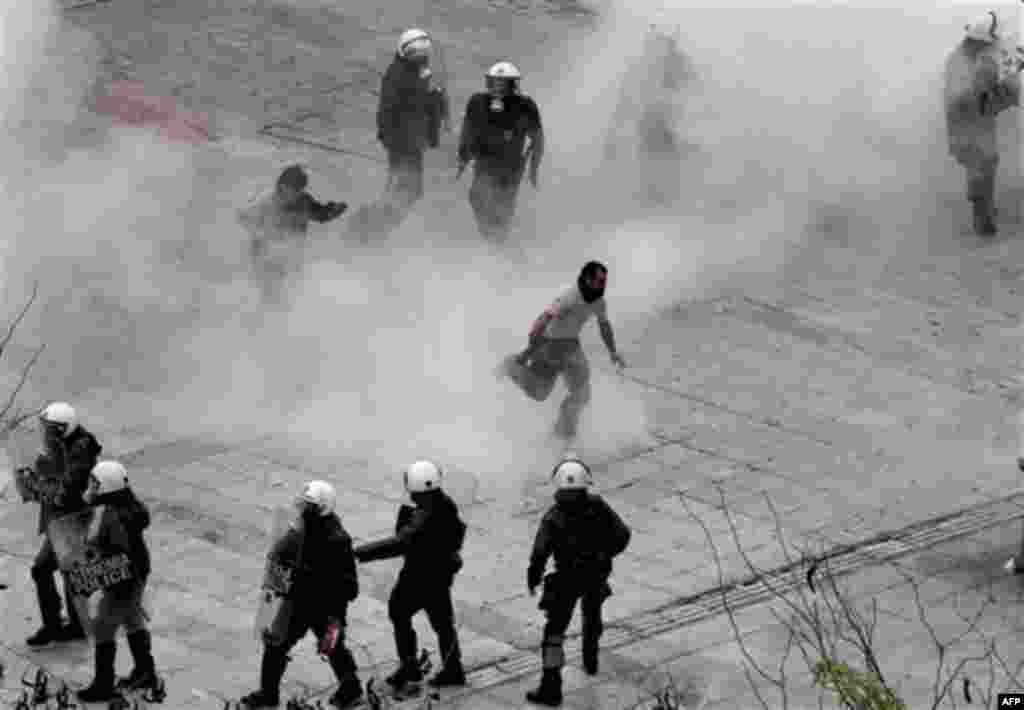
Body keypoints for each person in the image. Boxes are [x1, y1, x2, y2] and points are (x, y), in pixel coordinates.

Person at [241, 480, 363, 709]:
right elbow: (281, 555)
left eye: (311, 507)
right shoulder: (302, 530)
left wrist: (333, 613)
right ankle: (268, 695)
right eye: (304, 505)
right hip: (299, 604)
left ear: (323, 508)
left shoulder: (337, 540)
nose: (305, 511)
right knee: (276, 646)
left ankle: (351, 690)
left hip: (325, 609)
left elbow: (350, 587)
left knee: (334, 648)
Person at [353, 461, 467, 693]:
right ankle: (453, 668)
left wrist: (361, 552)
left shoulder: (424, 514)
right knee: (443, 623)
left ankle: (409, 666)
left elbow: (401, 542)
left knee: (398, 611)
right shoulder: (444, 503)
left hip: (419, 576)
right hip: (440, 574)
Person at [525, 457, 631, 706]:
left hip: (566, 579)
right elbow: (622, 535)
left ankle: (551, 687)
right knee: (592, 614)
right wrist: (605, 554)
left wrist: (533, 576)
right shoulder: (598, 506)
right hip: (595, 573)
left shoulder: (553, 517)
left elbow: (540, 552)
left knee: (554, 633)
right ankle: (590, 658)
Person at [496, 261, 626, 440]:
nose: (602, 285)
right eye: (598, 281)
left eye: (604, 281)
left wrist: (613, 351)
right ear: (587, 279)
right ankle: (511, 365)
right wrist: (528, 351)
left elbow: (604, 325)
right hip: (550, 345)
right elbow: (542, 321)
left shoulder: (598, 301)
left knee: (582, 393)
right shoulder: (570, 296)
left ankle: (562, 433)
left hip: (572, 345)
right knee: (540, 393)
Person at [75, 461, 159, 703]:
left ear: (108, 487)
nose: (90, 487)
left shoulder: (113, 516)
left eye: (95, 483)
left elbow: (117, 555)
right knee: (132, 619)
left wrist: (97, 576)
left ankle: (103, 684)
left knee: (103, 627)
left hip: (124, 577)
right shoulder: (122, 508)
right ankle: (145, 672)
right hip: (136, 571)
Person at [22, 402, 102, 647]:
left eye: (50, 429)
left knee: (45, 569)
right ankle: (69, 624)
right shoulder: (65, 445)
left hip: (71, 520)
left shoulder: (80, 450)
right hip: (62, 519)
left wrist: (38, 486)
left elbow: (68, 489)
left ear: (63, 429)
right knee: (67, 571)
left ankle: (55, 626)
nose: (46, 433)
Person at [944, 11, 1023, 236]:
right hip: (971, 128)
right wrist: (1008, 90)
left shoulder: (960, 58)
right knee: (982, 165)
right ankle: (983, 219)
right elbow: (978, 102)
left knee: (982, 165)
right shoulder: (971, 64)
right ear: (981, 40)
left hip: (968, 128)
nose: (992, 47)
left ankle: (983, 211)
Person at [456, 61, 543, 241]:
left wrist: (534, 169)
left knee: (503, 205)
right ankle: (492, 238)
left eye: (503, 83)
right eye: (495, 82)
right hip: (485, 164)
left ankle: (500, 243)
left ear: (513, 85)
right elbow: (467, 132)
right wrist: (462, 160)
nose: (498, 88)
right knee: (477, 198)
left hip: (510, 166)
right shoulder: (477, 102)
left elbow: (538, 140)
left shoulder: (525, 105)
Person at [237, 165, 347, 299]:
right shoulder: (266, 201)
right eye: (295, 190)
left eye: (301, 190)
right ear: (283, 186)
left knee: (291, 293)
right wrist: (262, 233)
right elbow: (242, 216)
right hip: (266, 257)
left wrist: (332, 211)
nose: (298, 194)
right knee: (272, 294)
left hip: (290, 256)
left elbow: (320, 214)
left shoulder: (303, 201)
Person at [374, 29, 449, 219]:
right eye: (414, 53)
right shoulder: (398, 74)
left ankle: (376, 228)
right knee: (403, 189)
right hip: (402, 142)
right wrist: (389, 136)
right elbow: (391, 107)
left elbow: (417, 104)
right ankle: (370, 230)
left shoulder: (415, 71)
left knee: (410, 190)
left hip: (412, 142)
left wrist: (433, 98)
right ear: (403, 52)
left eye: (423, 53)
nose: (420, 57)